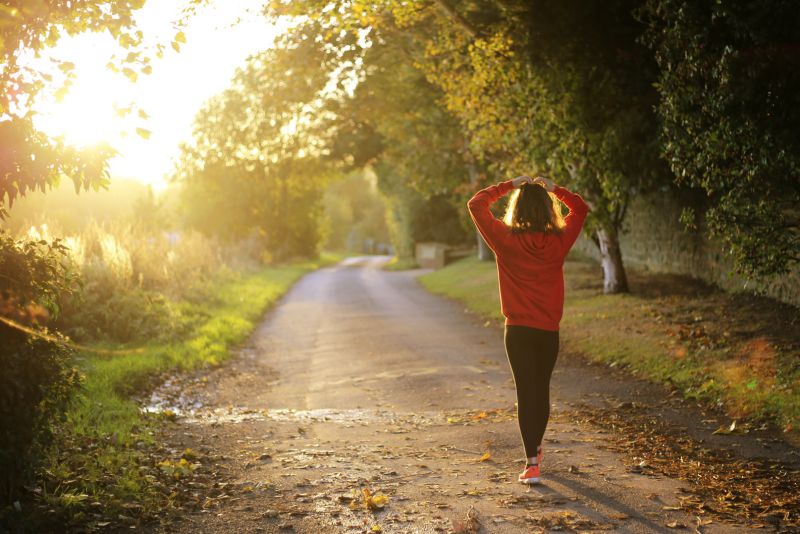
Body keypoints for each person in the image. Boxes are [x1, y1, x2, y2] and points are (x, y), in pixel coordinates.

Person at [467, 174, 589, 484]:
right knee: (541, 390)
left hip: (518, 331)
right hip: (547, 330)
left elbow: (477, 204)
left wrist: (509, 185)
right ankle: (535, 448)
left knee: (526, 393)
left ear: (517, 209)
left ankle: (532, 463)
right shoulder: (559, 241)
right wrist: (555, 189)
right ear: (548, 210)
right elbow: (580, 208)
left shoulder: (505, 240)